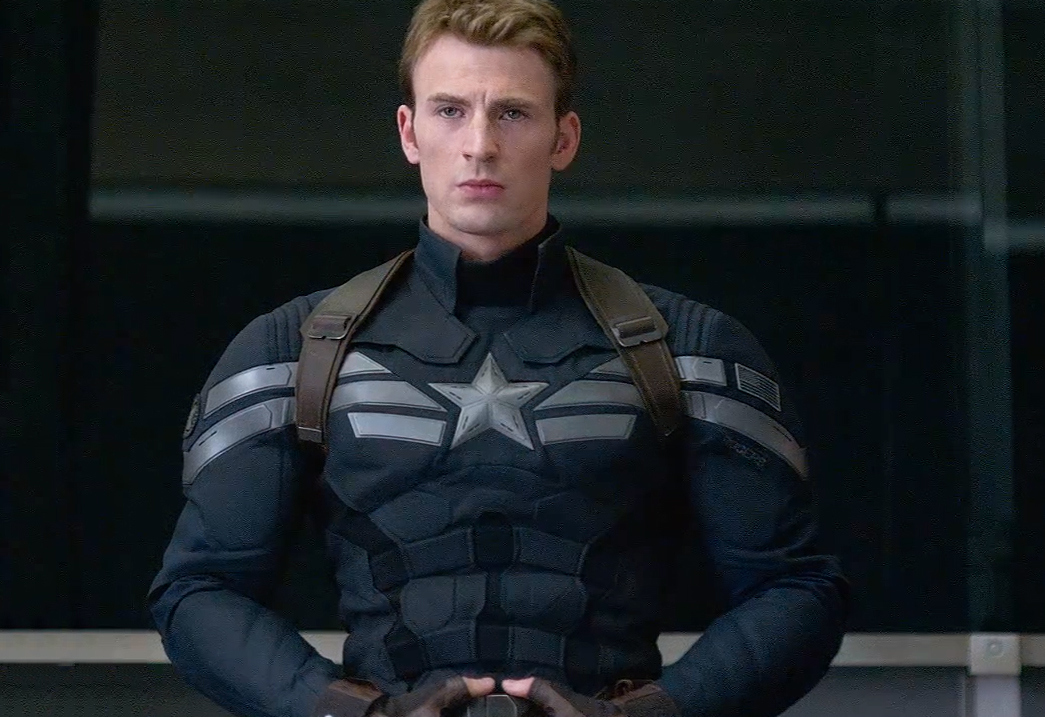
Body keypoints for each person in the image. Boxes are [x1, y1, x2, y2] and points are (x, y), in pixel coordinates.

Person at [148, 1, 849, 716]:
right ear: (409, 132)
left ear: (564, 138)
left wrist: (646, 715)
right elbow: (199, 590)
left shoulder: (686, 347)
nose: (479, 145)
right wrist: (353, 712)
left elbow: (797, 589)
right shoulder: (296, 350)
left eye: (512, 113)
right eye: (450, 111)